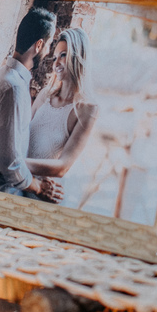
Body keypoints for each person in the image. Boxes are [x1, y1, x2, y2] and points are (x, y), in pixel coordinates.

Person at [0, 6, 62, 201]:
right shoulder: (14, 88)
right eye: (49, 44)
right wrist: (38, 187)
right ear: (39, 45)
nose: (49, 52)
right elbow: (10, 164)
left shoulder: (1, 75)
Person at [25, 27, 98, 198]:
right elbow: (21, 133)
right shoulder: (45, 94)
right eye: (55, 57)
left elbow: (63, 167)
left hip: (42, 192)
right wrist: (12, 167)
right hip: (18, 181)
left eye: (63, 55)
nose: (56, 63)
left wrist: (15, 164)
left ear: (78, 57)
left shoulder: (87, 109)